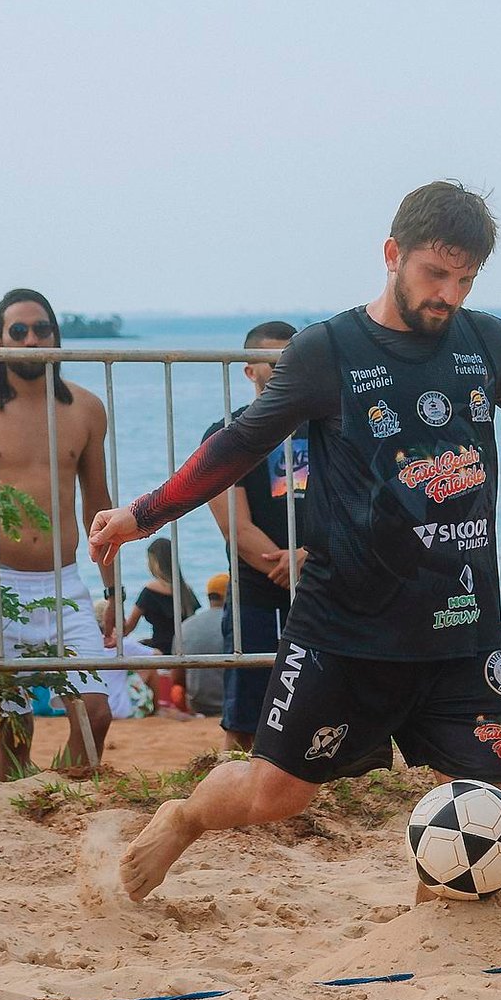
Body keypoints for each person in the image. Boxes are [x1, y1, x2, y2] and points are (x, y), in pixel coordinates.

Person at [88, 180, 501, 904]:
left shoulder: (485, 341)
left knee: (483, 809)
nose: (448, 295)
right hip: (347, 628)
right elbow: (239, 444)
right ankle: (185, 818)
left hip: (462, 626)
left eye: (465, 279)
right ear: (393, 254)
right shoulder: (327, 351)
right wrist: (142, 515)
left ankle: (434, 932)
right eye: (435, 273)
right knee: (275, 794)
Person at [0, 288, 115, 780]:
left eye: (41, 329)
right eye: (18, 331)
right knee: (14, 731)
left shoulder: (86, 408)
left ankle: (63, 795)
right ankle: (20, 806)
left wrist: (111, 590)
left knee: (95, 714)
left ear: (56, 336)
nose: (31, 340)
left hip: (64, 583)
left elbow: (98, 506)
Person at [200, 320, 308, 750]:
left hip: (321, 581)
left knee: (327, 710)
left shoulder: (328, 429)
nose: (284, 368)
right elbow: (235, 526)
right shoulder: (227, 433)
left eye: (292, 359)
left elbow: (348, 505)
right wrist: (286, 565)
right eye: (273, 361)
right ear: (249, 370)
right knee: (245, 720)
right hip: (255, 590)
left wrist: (310, 554)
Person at [110, 537, 199, 713]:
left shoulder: (150, 590)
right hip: (183, 649)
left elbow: (128, 628)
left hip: (161, 649)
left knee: (133, 648)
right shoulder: (186, 590)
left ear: (155, 562)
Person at [178, 574, 231, 717]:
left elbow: (177, 677)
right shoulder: (237, 624)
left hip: (198, 704)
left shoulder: (185, 626)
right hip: (232, 703)